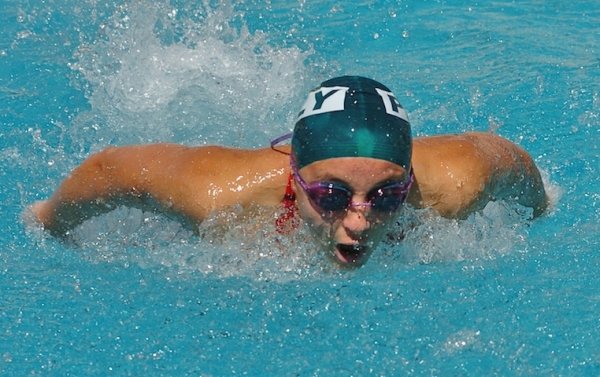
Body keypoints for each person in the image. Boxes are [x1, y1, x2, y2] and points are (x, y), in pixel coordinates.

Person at [29, 76, 548, 267]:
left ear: (409, 180)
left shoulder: (456, 182)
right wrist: (50, 220)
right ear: (292, 170)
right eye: (330, 194)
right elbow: (109, 170)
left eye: (386, 195)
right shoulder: (218, 195)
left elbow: (514, 163)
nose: (359, 221)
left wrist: (543, 209)